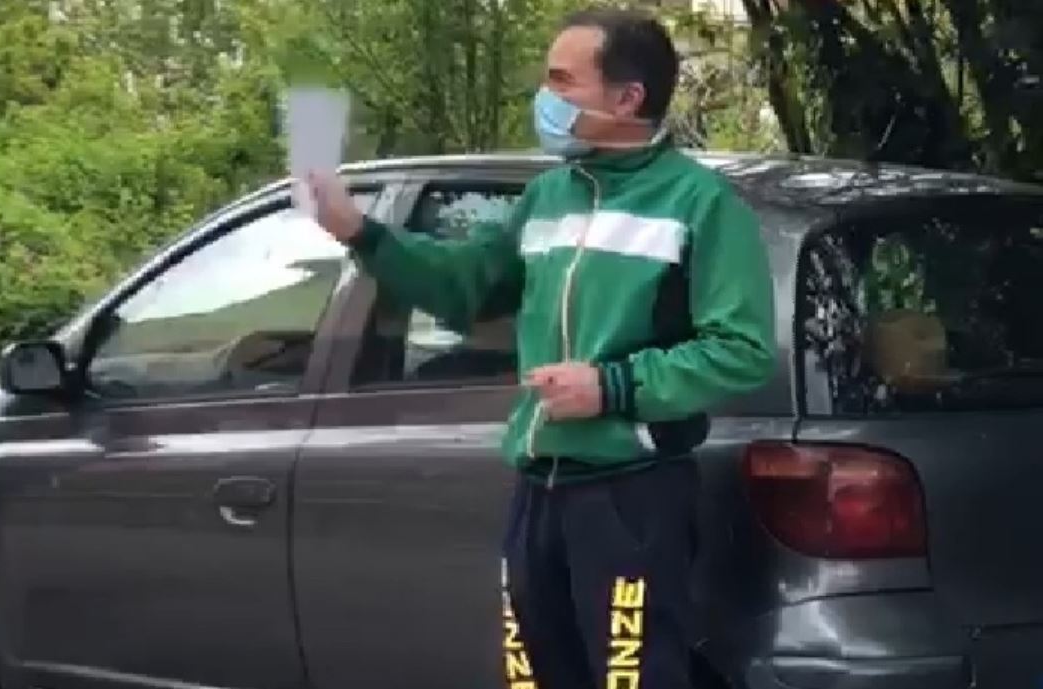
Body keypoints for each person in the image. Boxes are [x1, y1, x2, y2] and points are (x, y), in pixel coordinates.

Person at [309, 7, 776, 688]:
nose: (544, 98)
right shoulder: (547, 197)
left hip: (631, 497)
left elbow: (740, 349)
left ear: (627, 98)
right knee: (531, 678)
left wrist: (610, 386)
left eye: (562, 82)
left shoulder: (700, 204)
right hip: (539, 491)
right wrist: (360, 231)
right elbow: (465, 287)